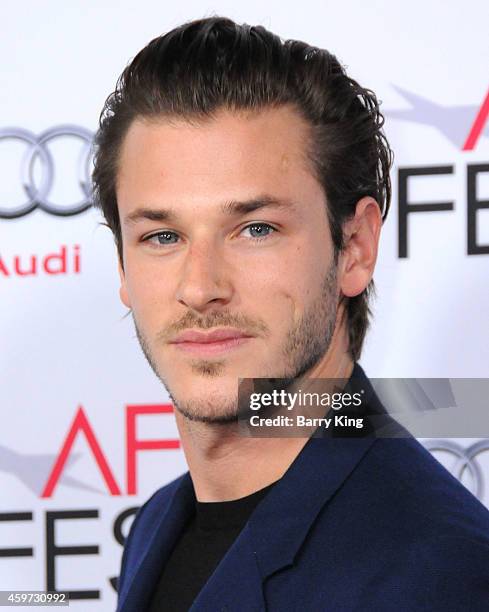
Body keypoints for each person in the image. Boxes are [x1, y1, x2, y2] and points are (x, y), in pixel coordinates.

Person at [92, 16, 489, 612]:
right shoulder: (157, 525)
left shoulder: (442, 574)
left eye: (255, 229)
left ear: (355, 248)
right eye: (162, 236)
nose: (200, 288)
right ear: (122, 266)